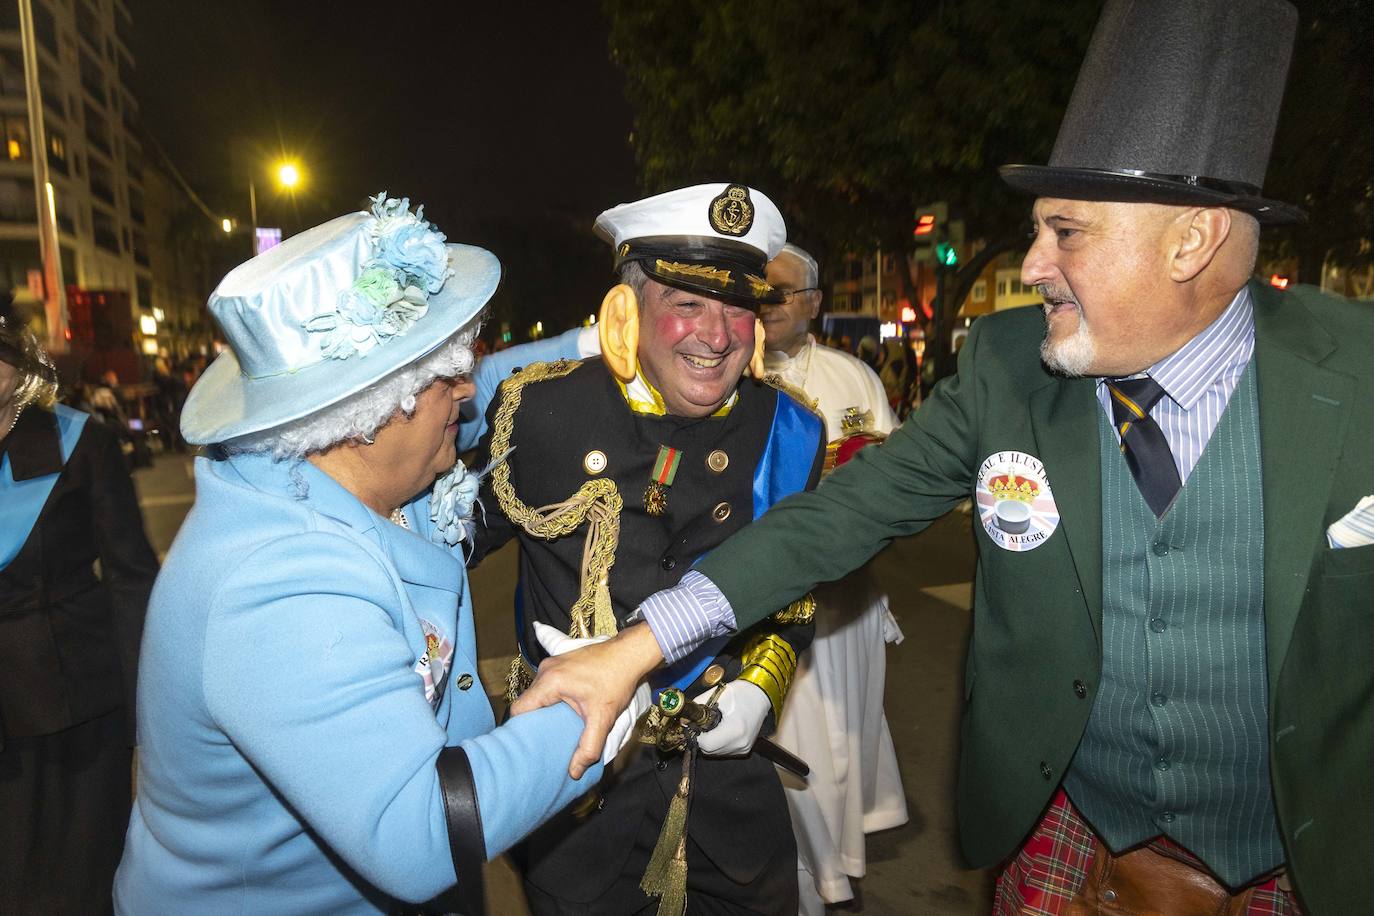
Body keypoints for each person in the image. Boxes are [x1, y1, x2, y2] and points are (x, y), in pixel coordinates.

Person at [516, 2, 1374, 913]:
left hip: (1307, 863)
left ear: (1190, 240)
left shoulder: (1357, 375)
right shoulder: (1008, 368)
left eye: (1066, 232)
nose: (1035, 262)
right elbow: (838, 517)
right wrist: (638, 649)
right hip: (1069, 836)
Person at [115, 194, 639, 915]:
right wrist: (606, 694)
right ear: (361, 420)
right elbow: (418, 830)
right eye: (442, 375)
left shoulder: (334, 466)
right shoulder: (279, 585)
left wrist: (597, 343)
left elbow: (486, 388)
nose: (465, 388)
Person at [472, 183, 825, 914]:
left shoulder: (792, 431)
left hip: (730, 802)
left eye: (737, 309)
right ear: (630, 307)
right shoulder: (539, 411)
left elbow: (798, 587)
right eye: (688, 305)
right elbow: (448, 549)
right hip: (576, 793)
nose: (717, 334)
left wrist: (763, 685)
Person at [761, 243, 908, 912]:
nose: (764, 305)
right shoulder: (721, 372)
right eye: (755, 292)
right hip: (764, 603)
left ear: (814, 303)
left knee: (838, 751)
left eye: (780, 292)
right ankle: (802, 883)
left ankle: (826, 875)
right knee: (784, 750)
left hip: (844, 602)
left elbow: (897, 479)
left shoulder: (855, 378)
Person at [0, 299, 159, 915]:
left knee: (82, 880)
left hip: (79, 704)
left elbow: (130, 578)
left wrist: (148, 701)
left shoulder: (79, 441)